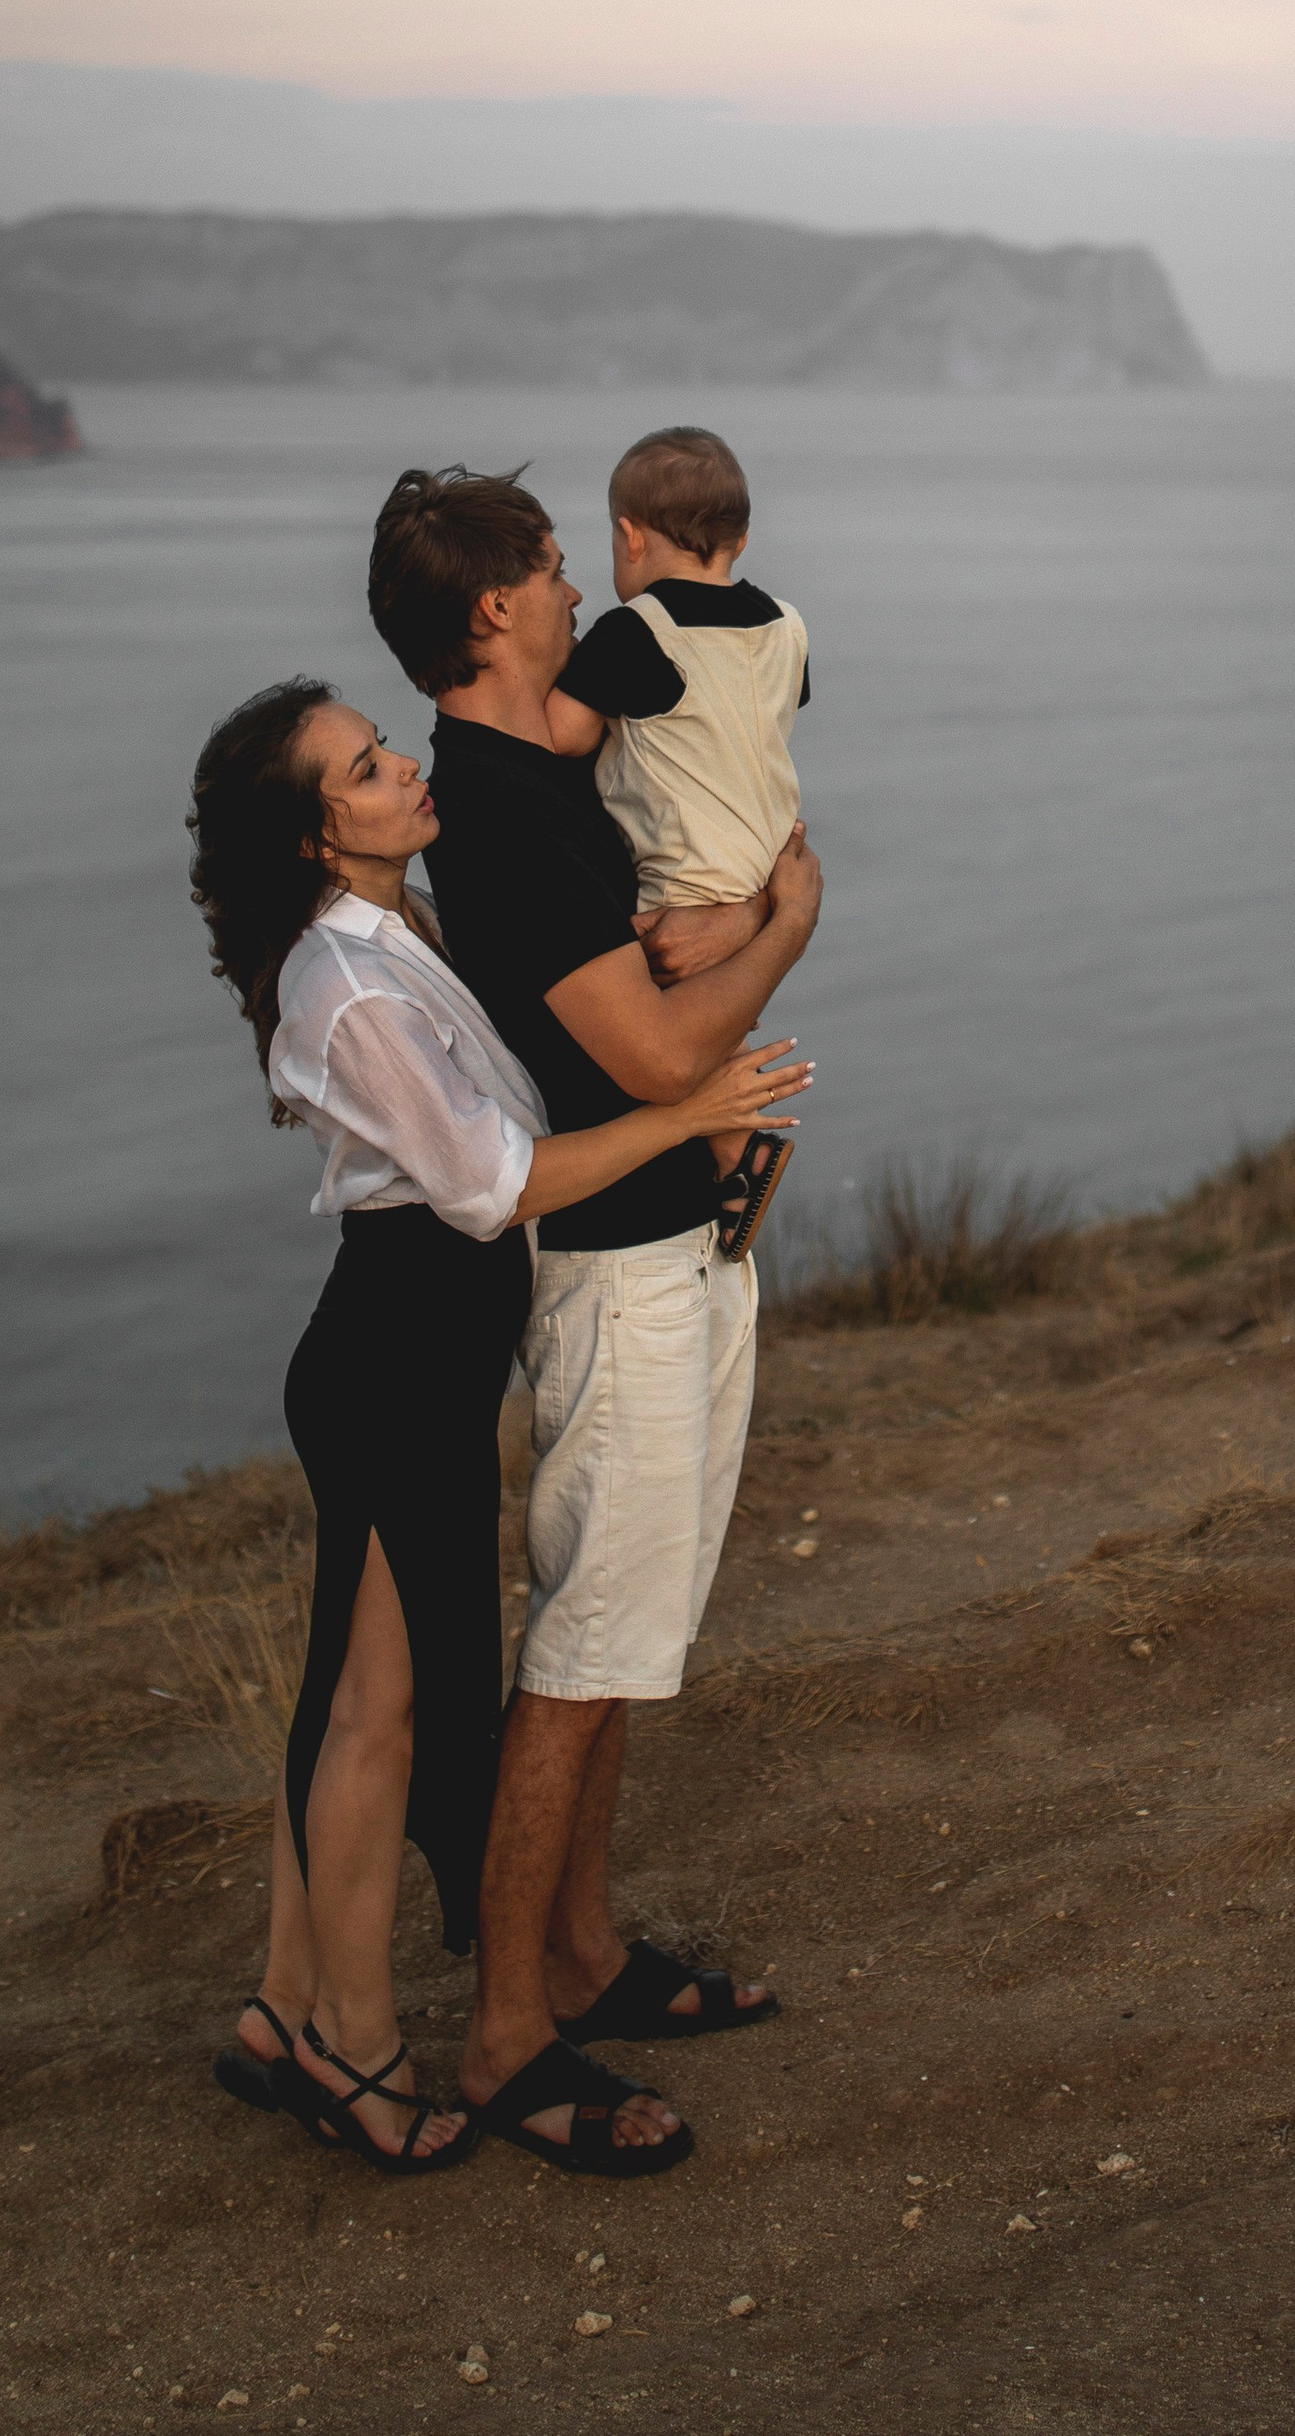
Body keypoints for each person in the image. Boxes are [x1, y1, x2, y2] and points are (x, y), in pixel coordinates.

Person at [187, 672, 808, 2180]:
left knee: (350, 1700)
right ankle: (354, 2051)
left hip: (424, 1349)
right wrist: (679, 1114)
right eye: (363, 769)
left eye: (385, 749)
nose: (403, 768)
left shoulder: (394, 930)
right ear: (314, 836)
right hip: (400, 1352)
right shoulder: (350, 985)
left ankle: (282, 2009)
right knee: (382, 1717)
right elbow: (490, 1184)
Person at [365, 467, 821, 2169]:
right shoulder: (494, 811)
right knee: (576, 1657)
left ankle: (584, 1952)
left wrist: (726, 921)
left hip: (677, 1241)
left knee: (624, 1634)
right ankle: (504, 2037)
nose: (583, 591)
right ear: (495, 610)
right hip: (616, 1275)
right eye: (557, 569)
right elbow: (657, 1050)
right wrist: (789, 922)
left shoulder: (549, 764)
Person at [545, 422, 810, 1254]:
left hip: (688, 868)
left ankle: (734, 1145)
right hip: (759, 857)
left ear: (630, 537)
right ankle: (734, 1150)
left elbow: (563, 734)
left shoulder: (637, 631)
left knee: (656, 1023)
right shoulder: (785, 624)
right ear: (741, 537)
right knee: (716, 1014)